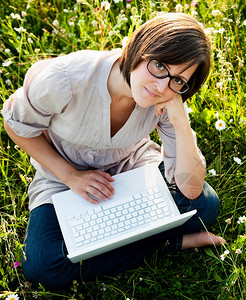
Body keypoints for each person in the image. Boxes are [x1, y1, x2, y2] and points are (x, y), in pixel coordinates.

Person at [1, 12, 225, 291]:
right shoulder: (66, 79)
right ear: (139, 48)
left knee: (205, 206)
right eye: (159, 65)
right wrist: (71, 176)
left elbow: (191, 190)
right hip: (61, 177)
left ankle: (132, 236)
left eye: (179, 80)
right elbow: (16, 126)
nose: (162, 86)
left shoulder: (168, 98)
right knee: (42, 267)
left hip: (131, 164)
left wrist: (180, 122)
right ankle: (166, 242)